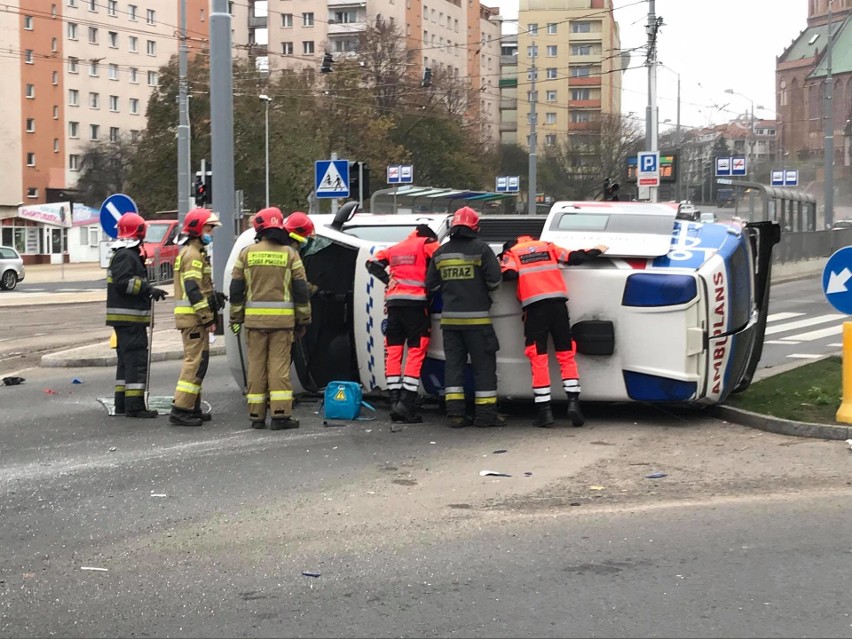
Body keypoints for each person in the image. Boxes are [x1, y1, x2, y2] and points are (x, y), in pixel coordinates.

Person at [500, 235, 608, 427]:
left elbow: (508, 274)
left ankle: (545, 412)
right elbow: (574, 257)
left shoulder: (512, 252)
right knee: (566, 354)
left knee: (538, 356)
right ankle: (574, 404)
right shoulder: (547, 246)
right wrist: (597, 250)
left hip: (534, 309)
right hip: (558, 306)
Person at [229, 207, 311, 430]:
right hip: (283, 324)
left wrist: (235, 317)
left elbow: (236, 289)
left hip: (255, 323)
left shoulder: (246, 254)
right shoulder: (290, 254)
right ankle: (280, 415)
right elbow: (301, 291)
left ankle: (256, 415)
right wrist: (303, 320)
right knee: (279, 367)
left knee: (256, 366)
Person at [425, 207, 504, 428]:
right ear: (475, 227)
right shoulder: (482, 249)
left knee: (454, 367)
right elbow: (495, 282)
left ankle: (455, 415)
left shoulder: (440, 253)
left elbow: (430, 284)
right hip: (478, 322)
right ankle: (486, 415)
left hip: (450, 322)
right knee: (484, 367)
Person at [365, 224, 439, 423]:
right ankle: (406, 403)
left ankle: (394, 400)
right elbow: (441, 260)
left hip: (394, 304)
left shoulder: (395, 248)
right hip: (416, 305)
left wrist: (389, 280)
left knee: (394, 350)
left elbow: (371, 263)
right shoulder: (427, 243)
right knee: (416, 349)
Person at [105, 212, 168, 418]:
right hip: (130, 319)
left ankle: (122, 403)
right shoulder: (126, 255)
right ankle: (135, 406)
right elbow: (124, 283)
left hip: (127, 319)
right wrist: (147, 289)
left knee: (126, 362)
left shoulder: (124, 253)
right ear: (138, 231)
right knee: (136, 361)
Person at [168, 208, 225, 427]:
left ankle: (192, 407)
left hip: (193, 319)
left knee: (199, 362)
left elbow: (199, 288)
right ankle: (181, 409)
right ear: (197, 229)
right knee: (195, 363)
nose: (211, 232)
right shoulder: (192, 255)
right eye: (209, 228)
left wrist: (213, 298)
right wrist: (207, 318)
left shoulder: (194, 252)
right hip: (193, 319)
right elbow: (192, 290)